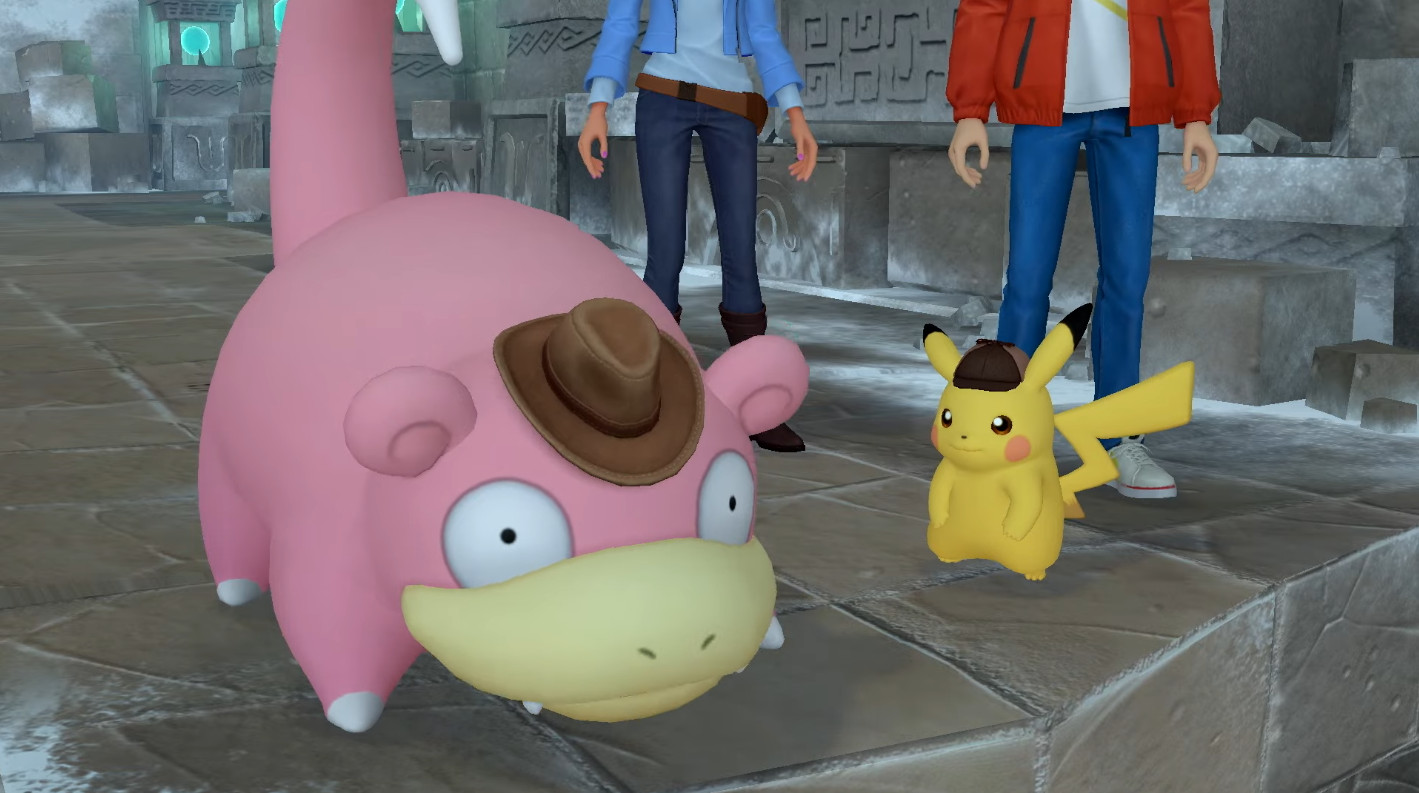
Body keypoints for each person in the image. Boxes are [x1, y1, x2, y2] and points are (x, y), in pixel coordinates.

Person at [944, 0, 1221, 498]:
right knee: (1027, 280)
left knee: (1128, 280)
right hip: (1043, 103)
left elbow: (1186, 9)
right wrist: (969, 109)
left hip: (1135, 107)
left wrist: (1196, 114)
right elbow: (984, 8)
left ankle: (1119, 437)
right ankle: (1002, 432)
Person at [577, 0, 818, 454]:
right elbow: (621, 24)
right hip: (663, 97)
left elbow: (763, 33)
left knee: (740, 249)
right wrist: (598, 107)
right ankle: (647, 390)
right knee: (666, 250)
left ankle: (756, 401)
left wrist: (795, 112)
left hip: (732, 104)